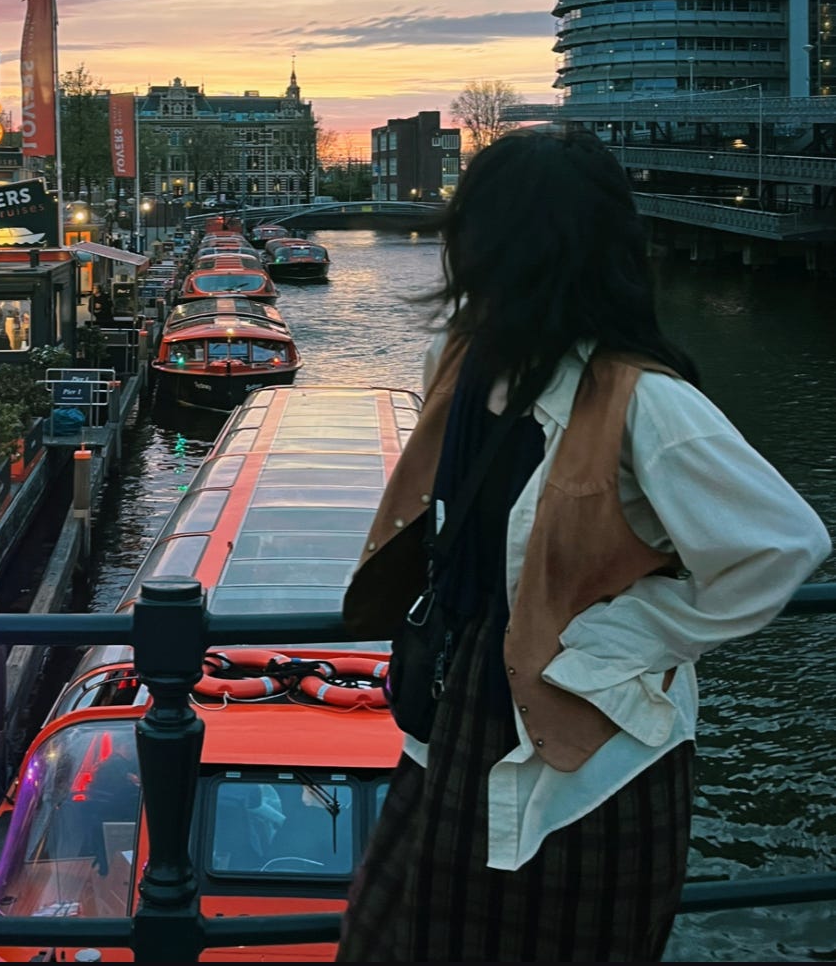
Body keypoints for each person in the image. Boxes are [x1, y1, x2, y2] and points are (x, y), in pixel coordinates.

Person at [337, 129, 830, 964]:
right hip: (454, 713)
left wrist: (622, 639)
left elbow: (782, 542)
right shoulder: (454, 361)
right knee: (388, 937)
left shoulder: (645, 401)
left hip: (587, 757)